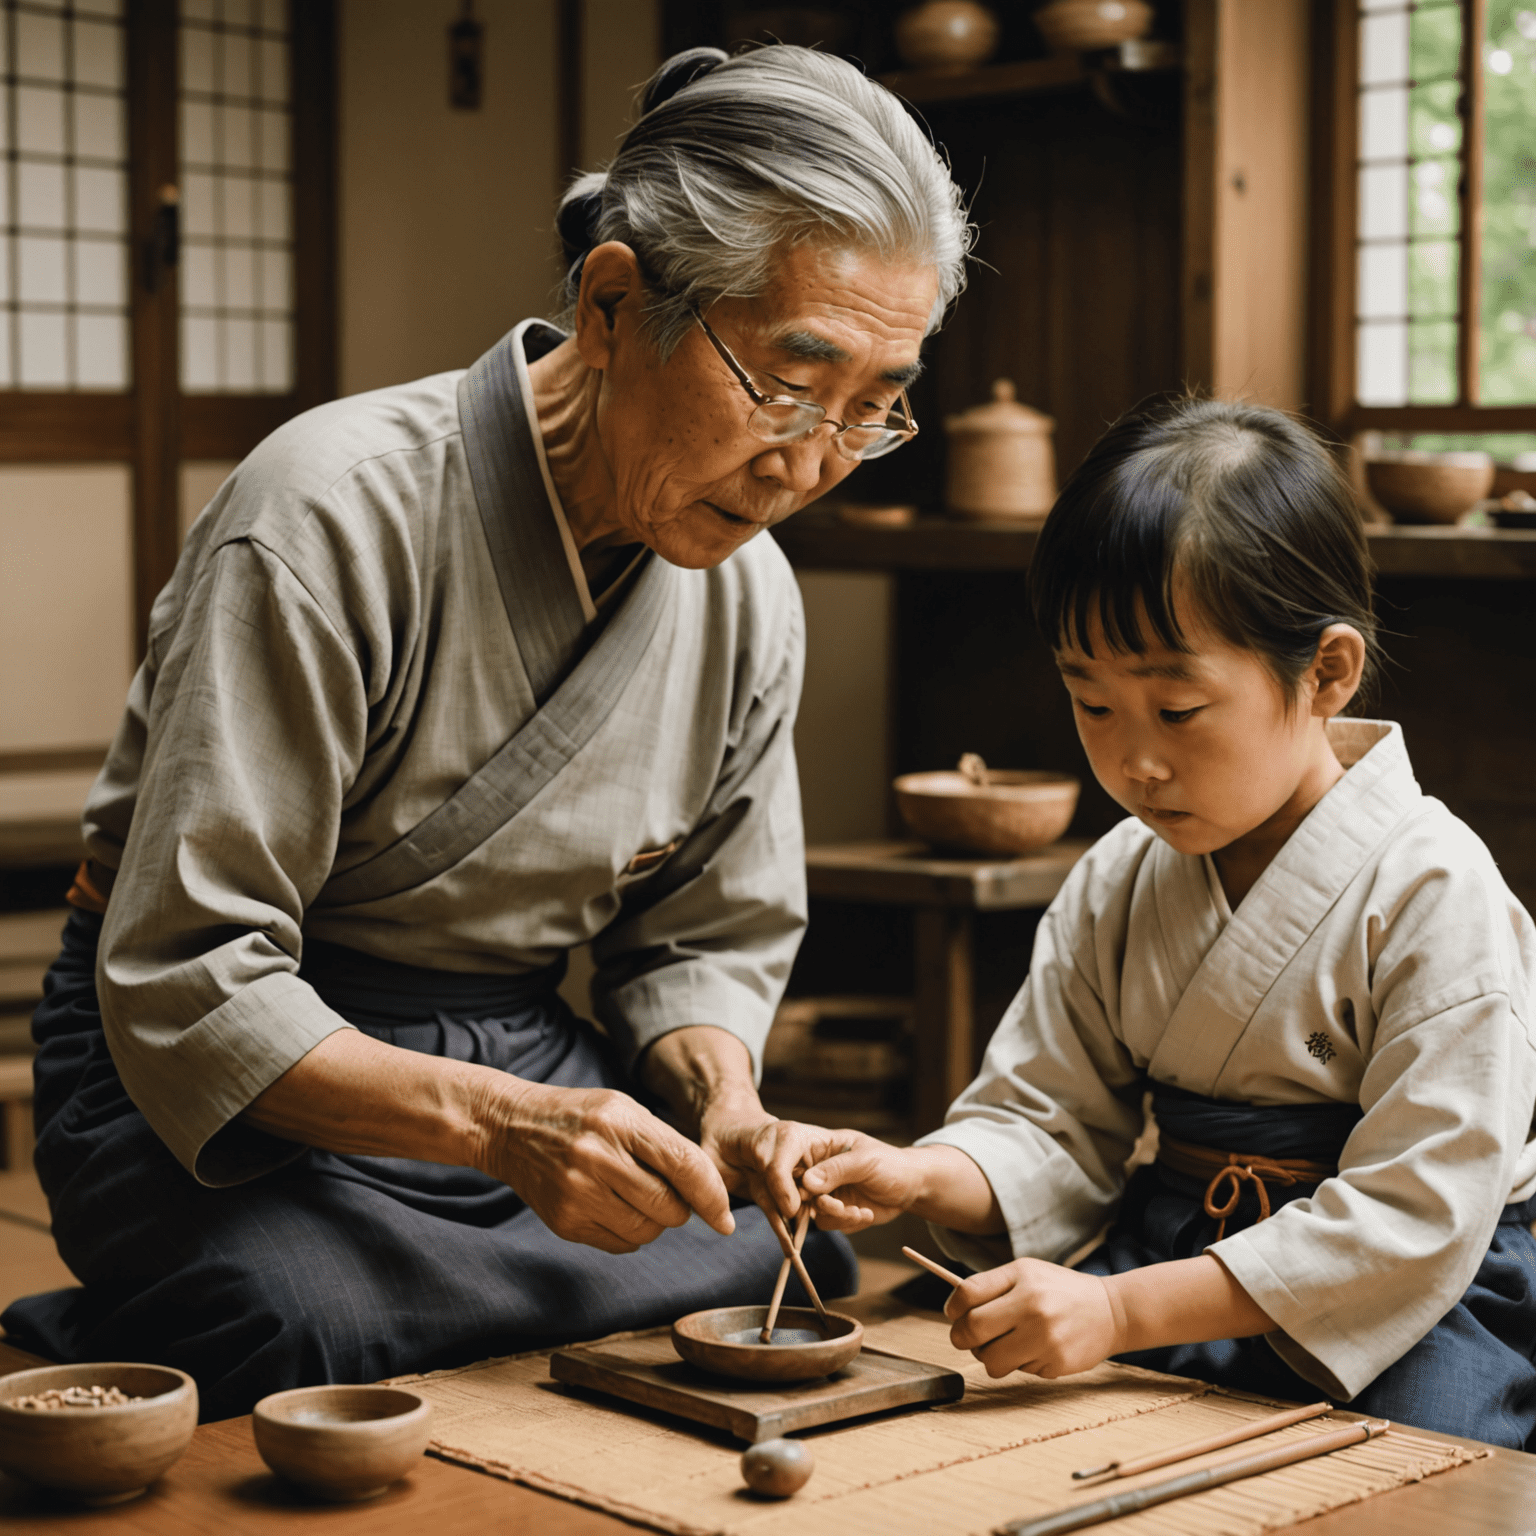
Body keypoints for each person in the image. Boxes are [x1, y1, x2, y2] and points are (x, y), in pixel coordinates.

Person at [2, 43, 972, 1419]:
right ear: (614, 301)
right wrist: (508, 1130)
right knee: (296, 1325)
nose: (812, 461)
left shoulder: (748, 596)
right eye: (788, 385)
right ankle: (114, 1312)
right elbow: (187, 971)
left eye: (872, 409)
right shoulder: (328, 513)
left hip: (516, 1052)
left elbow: (700, 939)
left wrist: (725, 1105)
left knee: (764, 1270)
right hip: (223, 1069)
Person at [794, 397, 1536, 1449]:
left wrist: (1116, 1313)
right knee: (1018, 1446)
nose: (1134, 760)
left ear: (1327, 671)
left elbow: (1419, 1217)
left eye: (1177, 710)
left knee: (1408, 1478)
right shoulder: (1122, 878)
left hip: (1414, 1298)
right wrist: (915, 1172)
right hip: (1167, 1248)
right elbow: (1048, 1122)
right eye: (1092, 704)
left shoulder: (1433, 890)